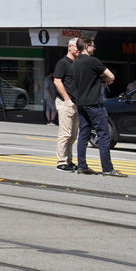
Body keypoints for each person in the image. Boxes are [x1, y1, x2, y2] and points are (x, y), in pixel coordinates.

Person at [72, 38, 126, 177]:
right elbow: (111, 76)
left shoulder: (75, 63)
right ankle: (107, 168)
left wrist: (99, 79)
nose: (94, 48)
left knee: (84, 134)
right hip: (94, 103)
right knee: (103, 134)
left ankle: (82, 166)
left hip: (81, 102)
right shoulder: (93, 61)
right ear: (86, 46)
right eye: (93, 46)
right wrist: (104, 79)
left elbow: (86, 80)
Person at [52, 38, 82, 171]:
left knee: (73, 135)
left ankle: (69, 161)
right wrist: (67, 99)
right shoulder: (63, 63)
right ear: (69, 47)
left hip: (76, 103)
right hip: (66, 102)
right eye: (77, 46)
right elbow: (57, 81)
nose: (79, 49)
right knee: (65, 133)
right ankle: (61, 161)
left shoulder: (78, 63)